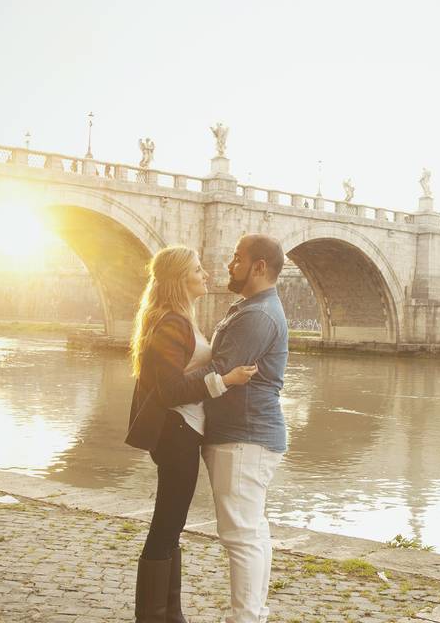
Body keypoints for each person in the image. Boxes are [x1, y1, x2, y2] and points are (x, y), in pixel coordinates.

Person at [125, 245, 258, 623]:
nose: (206, 276)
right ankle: (152, 616)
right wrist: (224, 381)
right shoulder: (171, 322)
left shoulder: (179, 318)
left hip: (183, 431)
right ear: (180, 279)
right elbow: (168, 391)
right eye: (199, 271)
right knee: (166, 523)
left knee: (171, 523)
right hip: (175, 431)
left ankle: (170, 613)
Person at [187, 234, 288, 623]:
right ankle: (253, 615)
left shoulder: (257, 315)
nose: (230, 265)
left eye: (236, 258)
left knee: (241, 537)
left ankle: (244, 619)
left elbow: (220, 371)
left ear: (258, 267)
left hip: (244, 438)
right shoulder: (250, 308)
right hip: (246, 436)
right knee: (252, 534)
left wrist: (168, 379)